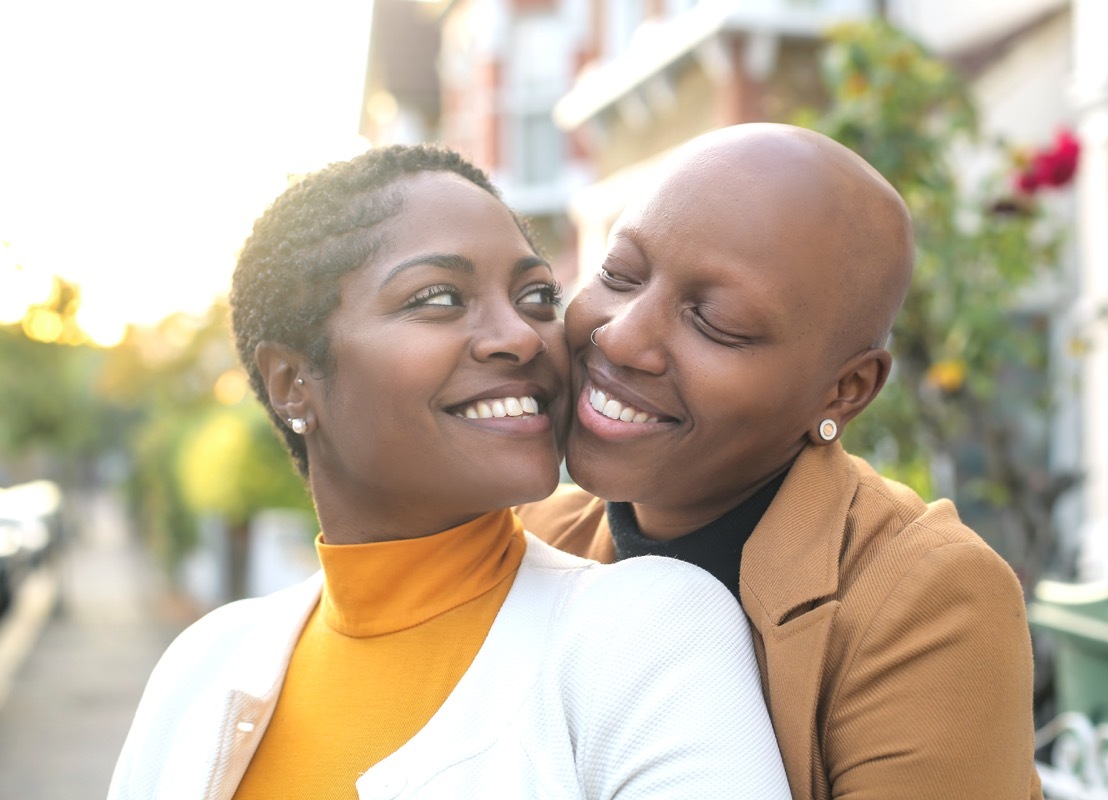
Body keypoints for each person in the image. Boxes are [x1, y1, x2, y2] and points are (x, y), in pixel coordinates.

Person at [107, 144, 790, 799]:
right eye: (438, 299)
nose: (523, 336)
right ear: (292, 382)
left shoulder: (645, 635)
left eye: (536, 297)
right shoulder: (201, 669)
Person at [516, 123, 1044, 800]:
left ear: (844, 390)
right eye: (619, 275)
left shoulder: (926, 600)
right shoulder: (534, 539)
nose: (620, 337)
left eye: (718, 322)